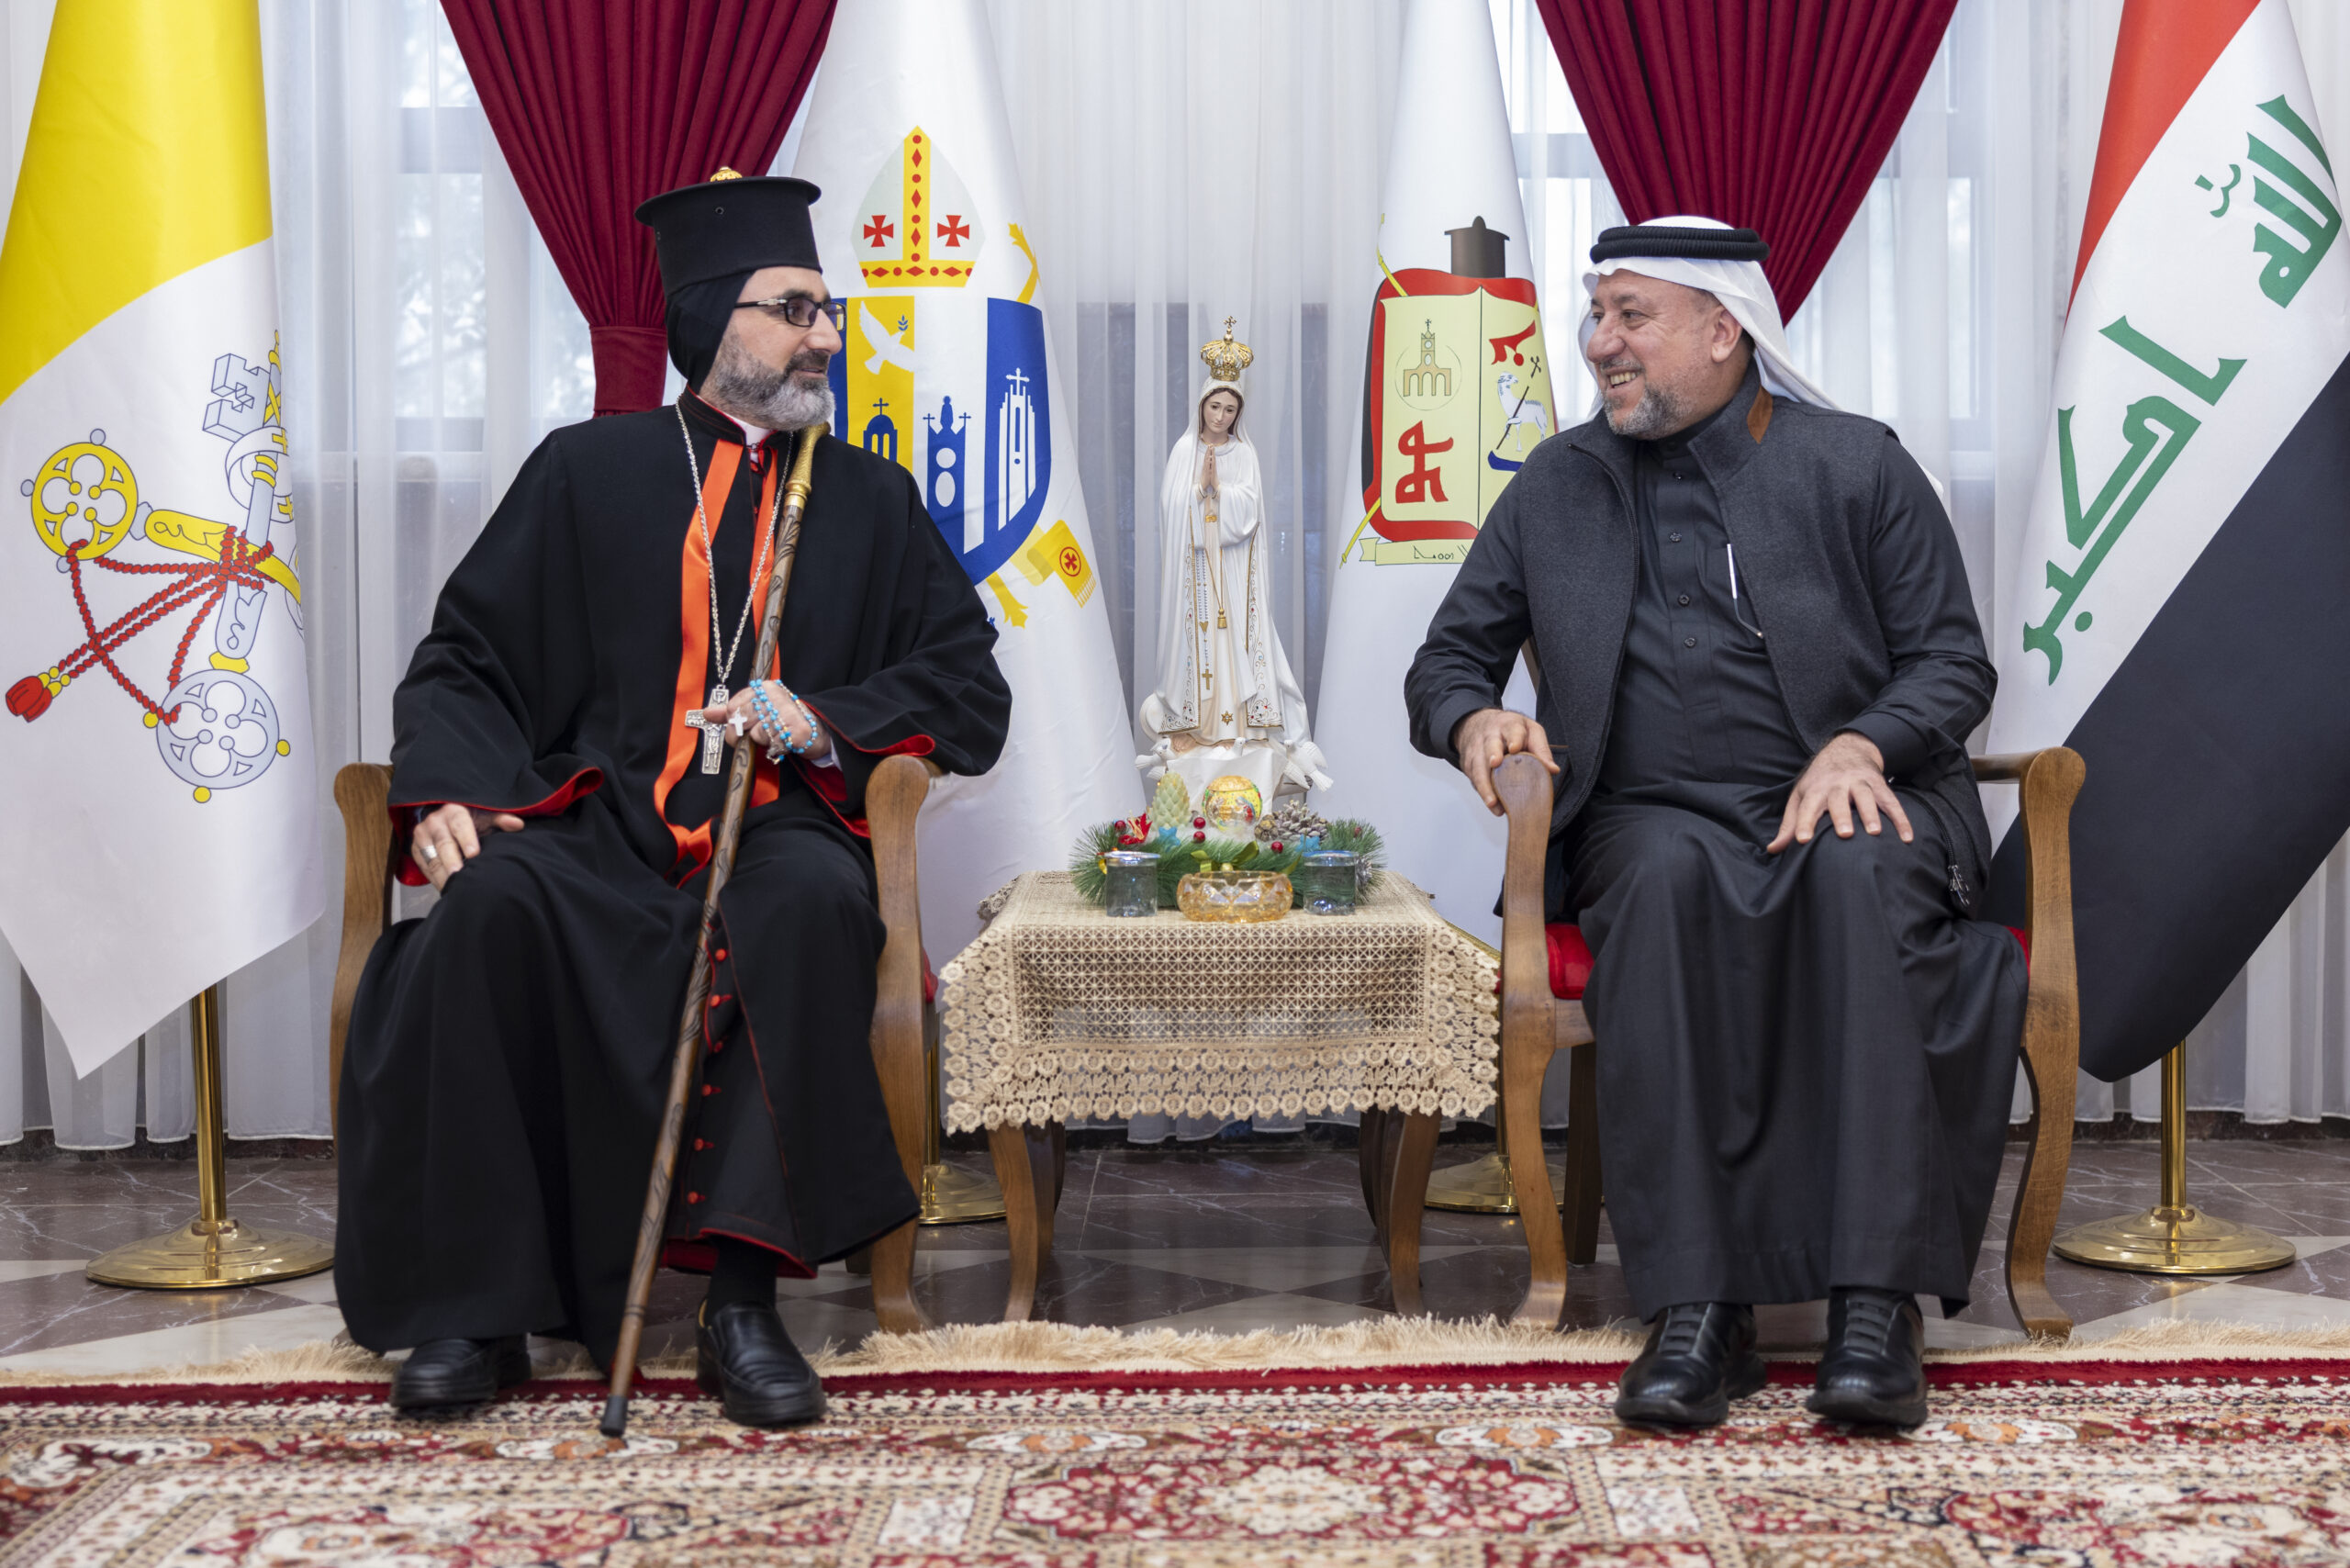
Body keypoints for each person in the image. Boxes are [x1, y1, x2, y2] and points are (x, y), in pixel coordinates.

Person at [336, 171, 1011, 1428]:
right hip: (601, 826)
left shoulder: (867, 498)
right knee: (487, 911)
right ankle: (474, 1310)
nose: (825, 334)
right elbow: (467, 656)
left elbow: (967, 682)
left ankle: (737, 1309)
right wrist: (450, 790)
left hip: (776, 827)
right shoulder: (586, 471)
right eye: (794, 309)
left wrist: (819, 717)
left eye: (828, 310)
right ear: (712, 321)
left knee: (806, 907)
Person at [1404, 218, 2021, 1430]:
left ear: (1723, 330)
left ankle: (1872, 1308)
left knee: (1856, 869)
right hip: (1650, 817)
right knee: (1665, 877)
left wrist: (1862, 743)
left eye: (1631, 316)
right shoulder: (1557, 485)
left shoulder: (1856, 465)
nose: (1600, 342)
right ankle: (1697, 1313)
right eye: (1597, 315)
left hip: (1853, 796)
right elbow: (1446, 660)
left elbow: (1953, 660)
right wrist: (1475, 718)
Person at [1137, 321, 1330, 809]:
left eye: (1229, 409)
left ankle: (1237, 730)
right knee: (1198, 647)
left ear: (1238, 412)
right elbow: (1170, 509)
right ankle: (1195, 731)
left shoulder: (1244, 454)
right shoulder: (1184, 450)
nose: (1221, 416)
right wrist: (1197, 492)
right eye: (1214, 406)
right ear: (1201, 405)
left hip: (1233, 572)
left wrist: (1219, 492)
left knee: (1233, 647)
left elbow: (1250, 512)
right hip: (1195, 575)